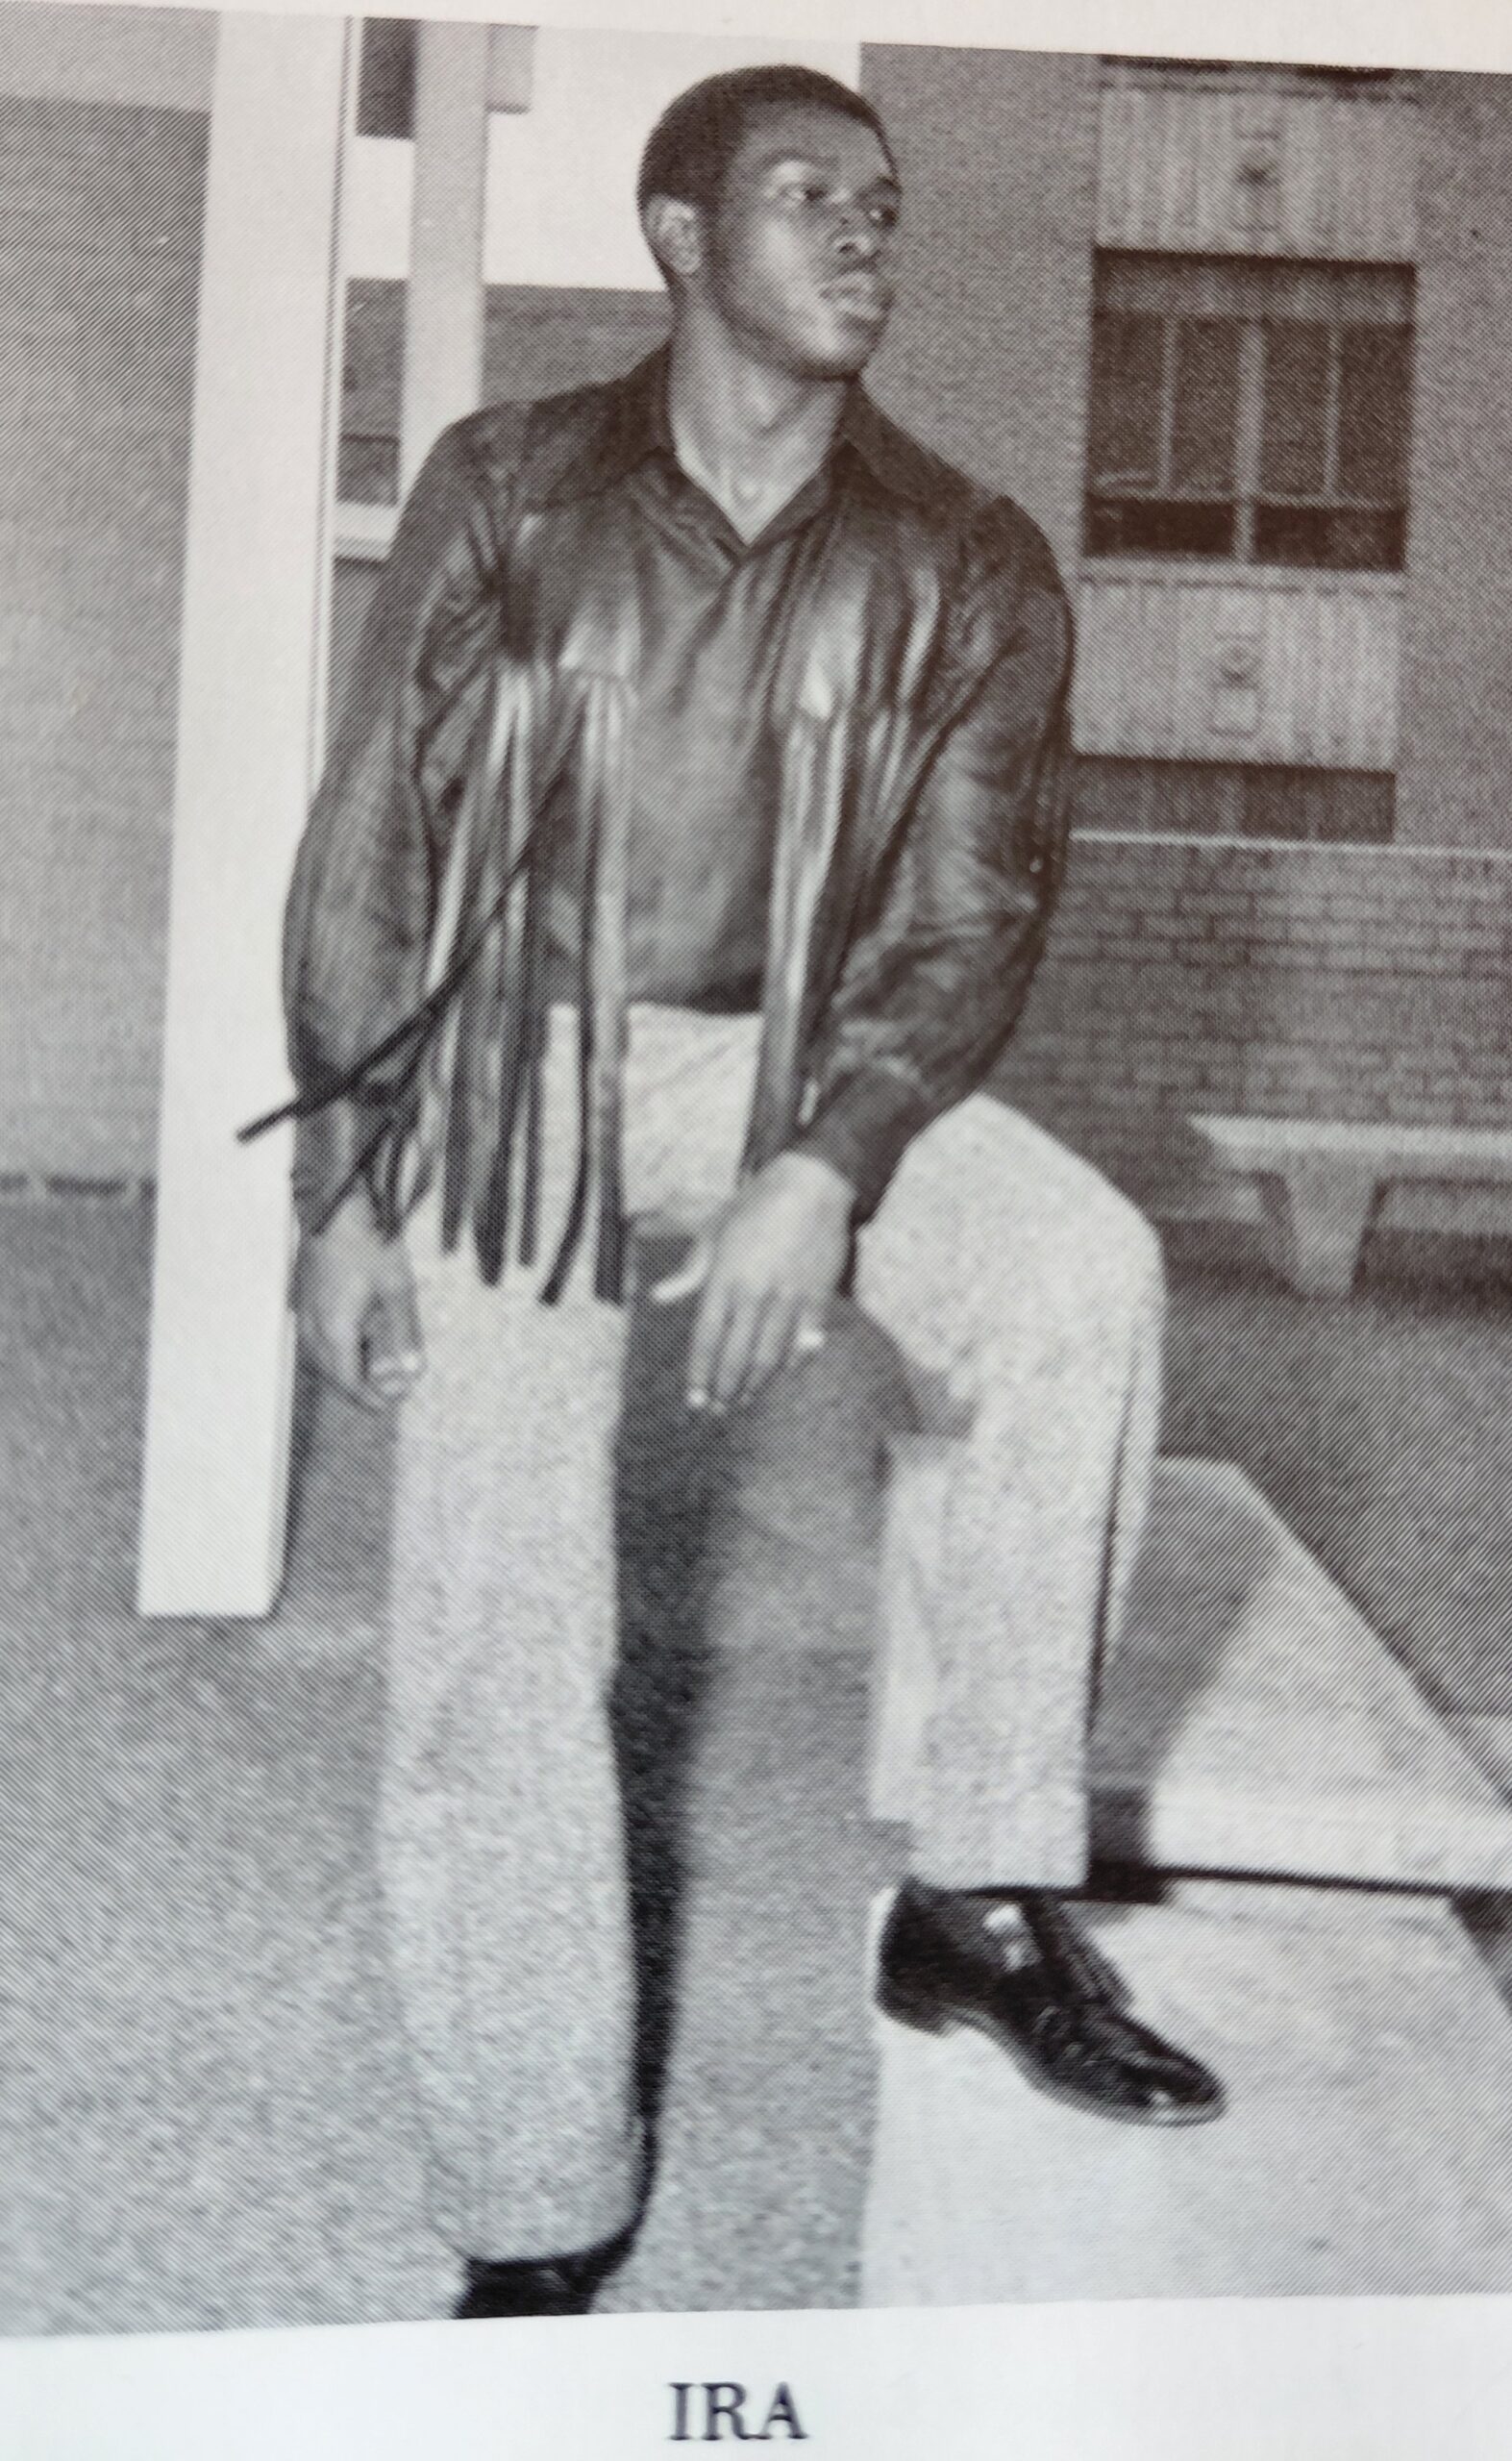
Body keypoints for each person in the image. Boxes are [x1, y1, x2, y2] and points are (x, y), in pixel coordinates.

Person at [273, 62, 1224, 2321]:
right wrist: (342, 1171)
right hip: (509, 1067)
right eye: (810, 194)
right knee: (502, 1598)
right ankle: (533, 2187)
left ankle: (976, 1892)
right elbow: (374, 839)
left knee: (1074, 1270)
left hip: (798, 1058)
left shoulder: (965, 550)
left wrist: (827, 1157)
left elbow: (971, 913)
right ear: (681, 236)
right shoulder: (510, 481)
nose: (865, 231)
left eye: (883, 201)